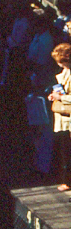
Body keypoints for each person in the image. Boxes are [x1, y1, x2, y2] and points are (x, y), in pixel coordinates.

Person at [49, 43, 71, 191]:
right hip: (63, 117)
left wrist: (61, 97)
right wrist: (54, 96)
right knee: (65, 149)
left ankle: (68, 181)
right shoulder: (62, 74)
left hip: (68, 116)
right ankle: (67, 180)